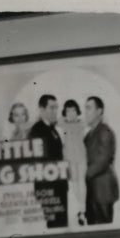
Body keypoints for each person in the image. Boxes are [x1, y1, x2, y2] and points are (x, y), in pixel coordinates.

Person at [28, 94, 68, 228]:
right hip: (49, 188)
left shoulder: (53, 130)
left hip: (59, 186)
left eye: (56, 108)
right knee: (55, 226)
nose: (56, 111)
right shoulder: (37, 130)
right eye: (52, 108)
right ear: (42, 109)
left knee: (61, 225)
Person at [83, 96, 119, 225]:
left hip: (103, 192)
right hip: (93, 192)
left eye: (89, 108)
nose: (85, 112)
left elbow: (102, 161)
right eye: (85, 108)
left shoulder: (105, 131)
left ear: (99, 111)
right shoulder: (88, 135)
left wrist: (83, 174)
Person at [59, 99, 88, 226]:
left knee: (82, 182)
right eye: (68, 110)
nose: (71, 113)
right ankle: (81, 209)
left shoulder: (82, 123)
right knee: (74, 183)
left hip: (81, 157)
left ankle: (83, 210)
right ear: (65, 112)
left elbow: (97, 119)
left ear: (77, 111)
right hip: (69, 158)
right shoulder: (62, 123)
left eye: (73, 110)